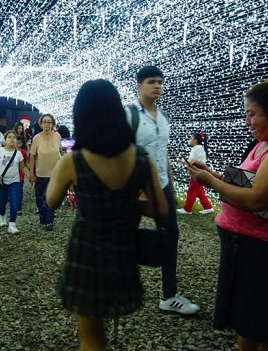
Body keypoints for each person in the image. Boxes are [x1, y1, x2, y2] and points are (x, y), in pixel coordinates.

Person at [185, 79, 268, 351]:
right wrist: (214, 174)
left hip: (264, 250)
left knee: (266, 331)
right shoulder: (265, 143)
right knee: (247, 323)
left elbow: (256, 199)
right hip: (244, 245)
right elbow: (247, 183)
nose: (247, 121)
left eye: (251, 114)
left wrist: (211, 182)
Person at [47, 79, 168, 351]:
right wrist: (126, 204)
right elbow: (159, 209)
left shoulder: (73, 160)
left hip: (86, 252)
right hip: (123, 249)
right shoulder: (141, 158)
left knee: (91, 338)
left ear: (82, 116)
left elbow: (52, 201)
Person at [125, 66, 200, 315]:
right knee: (124, 237)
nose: (157, 86)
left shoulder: (163, 116)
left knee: (170, 237)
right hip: (134, 190)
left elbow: (163, 153)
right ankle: (121, 287)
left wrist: (168, 186)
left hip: (162, 188)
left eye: (159, 82)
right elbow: (120, 153)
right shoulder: (129, 115)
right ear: (139, 85)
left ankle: (169, 294)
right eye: (151, 82)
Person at [0, 131, 28, 234]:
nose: (12, 139)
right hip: (2, 182)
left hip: (14, 181)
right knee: (2, 201)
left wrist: (30, 176)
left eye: (14, 137)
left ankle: (12, 224)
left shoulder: (18, 153)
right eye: (9, 137)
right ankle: (2, 215)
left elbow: (22, 167)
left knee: (14, 202)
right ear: (5, 140)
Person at [28, 114, 62, 231]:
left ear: (53, 124)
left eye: (49, 122)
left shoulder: (57, 136)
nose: (47, 124)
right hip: (40, 173)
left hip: (54, 174)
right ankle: (44, 219)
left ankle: (50, 221)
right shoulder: (37, 138)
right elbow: (32, 157)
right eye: (44, 122)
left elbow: (60, 154)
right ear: (41, 124)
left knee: (51, 197)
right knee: (41, 199)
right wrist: (31, 173)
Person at [176, 132, 214, 215]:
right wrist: (183, 161)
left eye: (191, 138)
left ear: (195, 140)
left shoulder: (197, 149)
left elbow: (192, 161)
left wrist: (183, 161)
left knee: (192, 190)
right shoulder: (198, 148)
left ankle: (187, 209)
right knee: (199, 191)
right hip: (198, 172)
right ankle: (208, 207)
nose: (189, 140)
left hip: (196, 172)